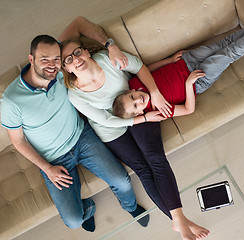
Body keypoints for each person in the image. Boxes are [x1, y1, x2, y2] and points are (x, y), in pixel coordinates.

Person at [0, 17, 150, 233]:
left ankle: (131, 207)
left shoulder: (62, 69)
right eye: (44, 59)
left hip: (82, 137)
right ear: (31, 59)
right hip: (53, 159)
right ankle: (86, 209)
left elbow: (79, 23)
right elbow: (18, 141)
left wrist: (111, 45)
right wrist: (47, 168)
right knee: (73, 221)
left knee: (123, 181)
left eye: (55, 59)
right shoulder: (11, 100)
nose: (51, 65)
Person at [60, 27, 210, 240]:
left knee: (156, 159)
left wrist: (154, 95)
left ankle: (178, 218)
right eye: (67, 60)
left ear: (86, 51)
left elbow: (139, 66)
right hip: (113, 129)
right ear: (65, 69)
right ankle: (180, 221)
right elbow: (105, 120)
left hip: (136, 107)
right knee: (143, 169)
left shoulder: (107, 58)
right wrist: (146, 119)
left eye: (77, 52)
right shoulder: (74, 94)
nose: (75, 59)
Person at [112, 16, 244, 119]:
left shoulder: (134, 83)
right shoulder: (157, 111)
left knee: (223, 43)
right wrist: (188, 85)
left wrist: (170, 60)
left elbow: (148, 68)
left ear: (130, 91)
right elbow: (188, 109)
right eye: (136, 106)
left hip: (185, 61)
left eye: (132, 97)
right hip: (198, 79)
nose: (138, 100)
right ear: (139, 113)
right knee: (228, 54)